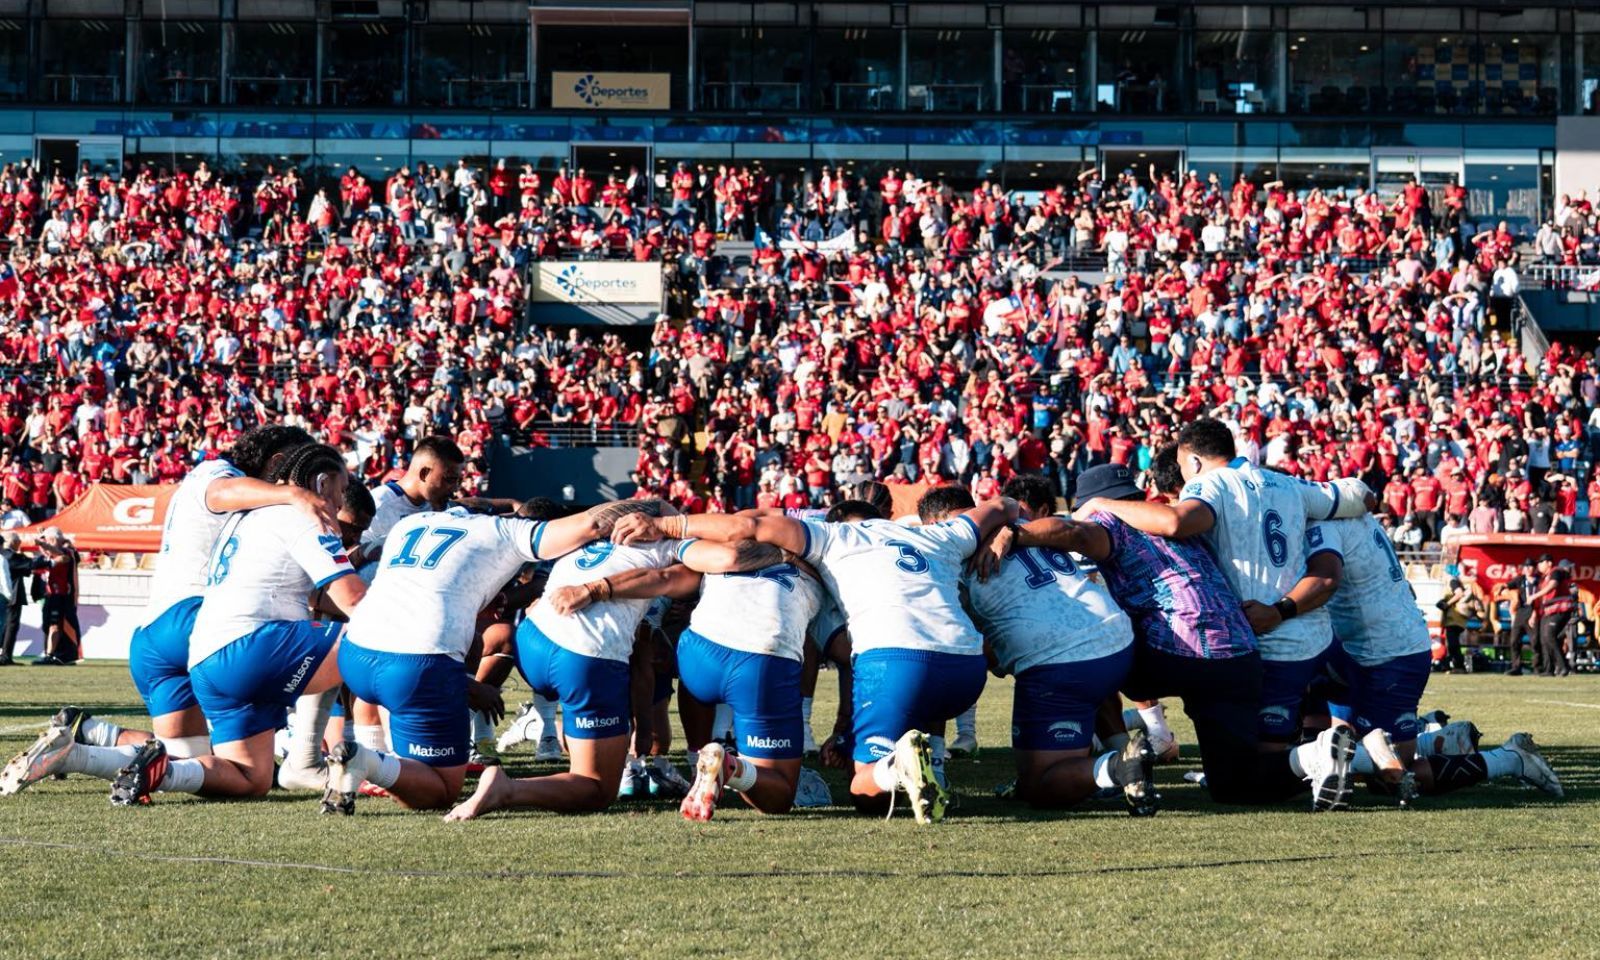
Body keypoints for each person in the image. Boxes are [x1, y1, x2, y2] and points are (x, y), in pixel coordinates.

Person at [605, 492, 1022, 825]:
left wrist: (666, 526)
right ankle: (932, 762)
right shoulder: (937, 535)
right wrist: (1006, 533)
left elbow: (746, 526)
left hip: (702, 652)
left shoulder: (828, 540)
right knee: (786, 785)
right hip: (965, 669)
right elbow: (1004, 504)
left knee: (865, 789)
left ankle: (705, 755)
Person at [0, 427, 330, 795]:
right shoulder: (219, 475)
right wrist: (292, 493)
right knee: (259, 763)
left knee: (189, 761)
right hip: (200, 619)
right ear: (278, 463)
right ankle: (307, 753)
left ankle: (83, 745)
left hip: (154, 633)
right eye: (298, 471)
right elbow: (220, 492)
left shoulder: (210, 480)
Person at [1008, 461, 1353, 809]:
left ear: (1091, 502)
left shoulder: (1107, 519)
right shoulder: (1166, 518)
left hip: (1178, 648)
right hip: (1239, 655)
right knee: (1235, 785)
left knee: (1091, 654)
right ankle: (1313, 758)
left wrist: (1019, 534)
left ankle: (1117, 757)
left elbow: (1080, 535)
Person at [1076, 420, 1371, 810]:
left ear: (1194, 461)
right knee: (1237, 783)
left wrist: (1101, 505)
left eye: (1182, 469)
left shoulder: (1208, 485)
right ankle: (1330, 757)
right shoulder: (1288, 484)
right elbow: (1361, 495)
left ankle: (1102, 759)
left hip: (1259, 635)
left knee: (1090, 661)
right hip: (1301, 632)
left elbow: (1176, 521)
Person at [324, 499, 635, 813]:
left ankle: (371, 760)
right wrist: (660, 513)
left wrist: (466, 686)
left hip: (357, 652)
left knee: (467, 644)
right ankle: (366, 761)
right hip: (414, 665)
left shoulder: (415, 522)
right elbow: (591, 524)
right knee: (440, 790)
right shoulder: (508, 532)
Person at [107, 444, 367, 805]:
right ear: (321, 483)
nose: (338, 504)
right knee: (380, 639)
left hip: (204, 656)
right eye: (339, 493)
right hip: (248, 645)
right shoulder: (304, 513)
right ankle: (376, 757)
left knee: (250, 778)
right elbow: (354, 600)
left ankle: (165, 771)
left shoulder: (245, 516)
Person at [541, 531, 824, 820]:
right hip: (763, 658)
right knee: (778, 795)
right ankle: (730, 767)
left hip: (698, 654)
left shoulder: (716, 553)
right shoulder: (821, 563)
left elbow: (664, 579)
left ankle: (696, 762)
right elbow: (840, 643)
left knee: (687, 683)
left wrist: (593, 589)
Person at [923, 484, 1155, 815]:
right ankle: (1127, 751)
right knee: (1091, 690)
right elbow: (1068, 529)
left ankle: (1119, 767)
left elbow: (962, 643)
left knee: (1040, 784)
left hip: (1062, 661)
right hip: (1116, 639)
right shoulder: (1021, 528)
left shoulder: (949, 554)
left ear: (934, 525)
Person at [1311, 511, 1561, 802]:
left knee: (1389, 777)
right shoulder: (1356, 524)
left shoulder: (1326, 525)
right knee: (1330, 724)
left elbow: (1324, 581)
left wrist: (1281, 610)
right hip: (1356, 646)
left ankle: (1508, 759)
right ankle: (1430, 739)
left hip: (1388, 652)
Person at [30, 527, 80, 666]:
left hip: (60, 595)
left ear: (53, 539)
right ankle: (53, 654)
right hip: (51, 594)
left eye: (48, 539)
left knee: (54, 625)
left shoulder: (66, 552)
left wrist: (41, 543)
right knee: (49, 625)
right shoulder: (53, 554)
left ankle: (51, 655)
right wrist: (41, 540)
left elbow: (57, 553)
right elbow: (48, 553)